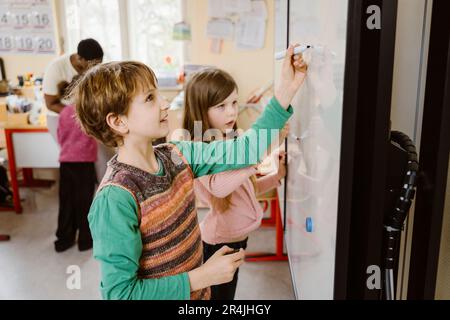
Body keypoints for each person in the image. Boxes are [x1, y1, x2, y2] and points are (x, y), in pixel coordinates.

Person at [72, 44, 307, 300]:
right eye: (150, 98)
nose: (164, 103)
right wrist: (204, 276)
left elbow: (245, 151)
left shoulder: (178, 154)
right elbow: (121, 294)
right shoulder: (115, 198)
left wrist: (286, 90)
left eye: (158, 94)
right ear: (118, 121)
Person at [182, 68, 290, 300]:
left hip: (237, 238)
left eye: (233, 102)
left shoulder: (230, 141)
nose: (231, 111)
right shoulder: (198, 150)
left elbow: (248, 189)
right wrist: (261, 153)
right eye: (221, 106)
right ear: (202, 110)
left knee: (228, 293)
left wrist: (275, 176)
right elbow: (220, 187)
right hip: (217, 242)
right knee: (218, 298)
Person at [54, 77, 98, 252]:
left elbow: (60, 136)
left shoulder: (64, 112)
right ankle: (85, 241)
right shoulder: (88, 112)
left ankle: (63, 239)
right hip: (84, 163)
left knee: (66, 202)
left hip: (66, 162)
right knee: (85, 202)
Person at [43, 38, 104, 114]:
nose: (96, 68)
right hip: (60, 117)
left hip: (84, 117)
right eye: (93, 65)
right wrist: (78, 115)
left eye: (99, 64)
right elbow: (51, 104)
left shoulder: (92, 68)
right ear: (80, 58)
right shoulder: (55, 68)